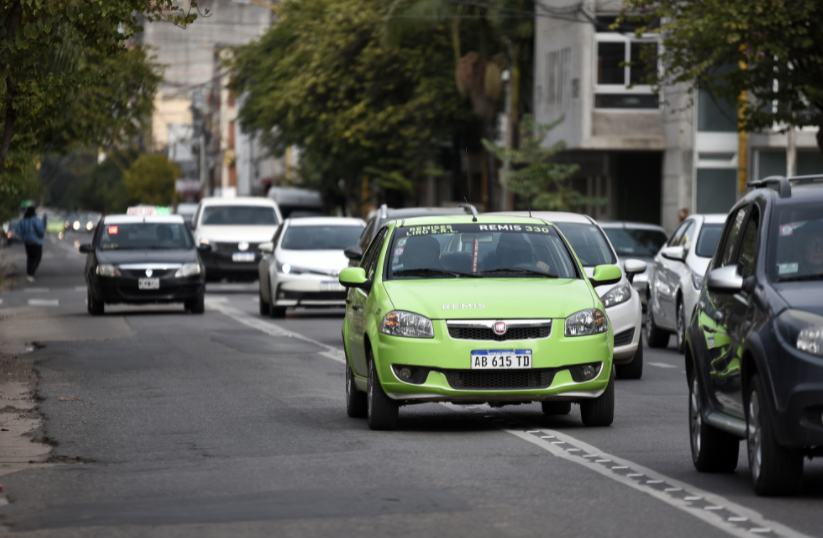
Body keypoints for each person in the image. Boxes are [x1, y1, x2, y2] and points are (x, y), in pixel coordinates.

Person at [15, 206, 45, 283]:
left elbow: (17, 230)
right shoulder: (36, 220)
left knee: (30, 257)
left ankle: (29, 273)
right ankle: (31, 274)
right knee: (37, 257)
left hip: (27, 241)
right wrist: (41, 234)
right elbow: (40, 230)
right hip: (36, 241)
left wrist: (23, 235)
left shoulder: (23, 220)